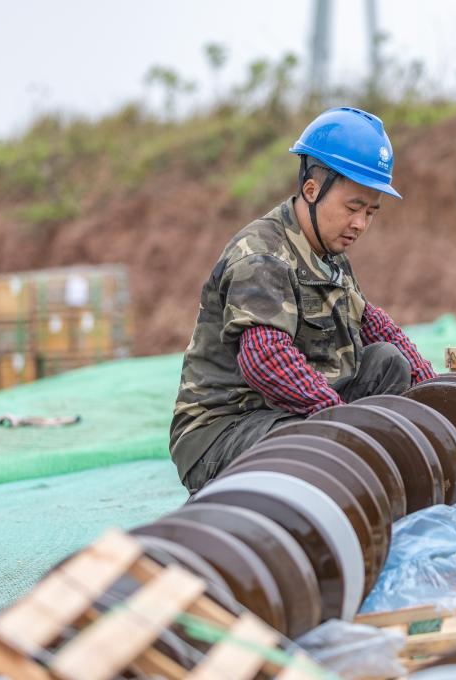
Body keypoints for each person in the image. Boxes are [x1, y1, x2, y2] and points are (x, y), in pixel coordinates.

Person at [169, 107, 436, 493]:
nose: (360, 224)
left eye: (370, 212)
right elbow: (265, 357)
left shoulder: (328, 255)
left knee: (388, 364)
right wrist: (339, 426)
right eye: (352, 208)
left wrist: (437, 396)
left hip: (286, 414)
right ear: (311, 190)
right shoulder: (261, 255)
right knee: (313, 446)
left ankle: (372, 478)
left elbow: (376, 326)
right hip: (224, 430)